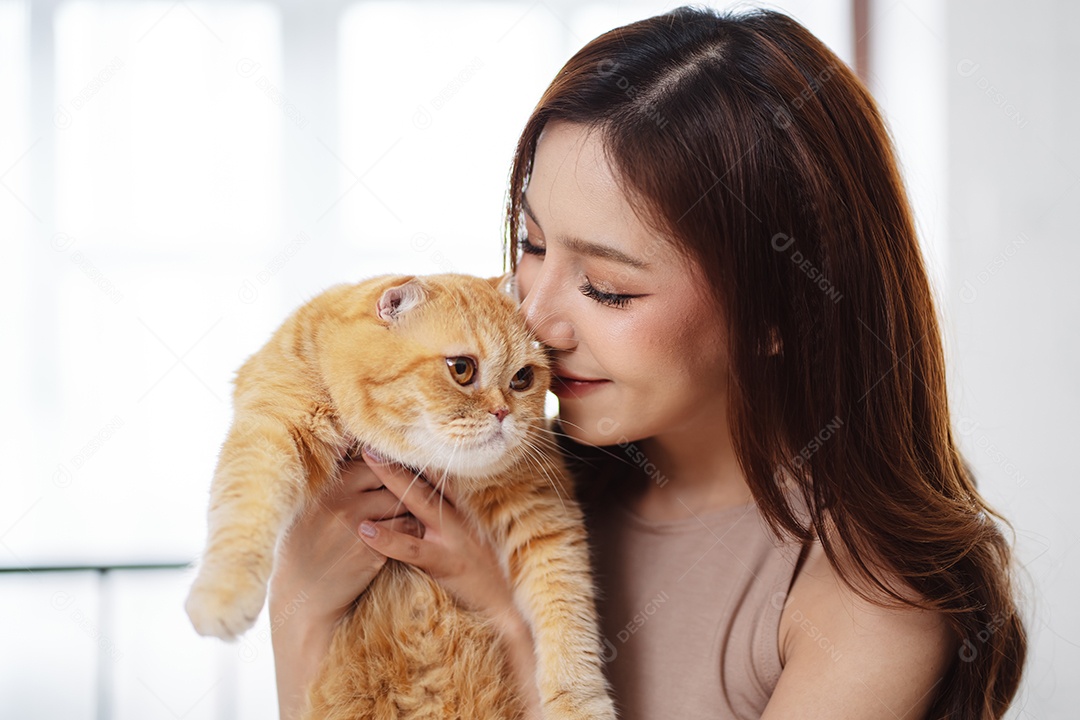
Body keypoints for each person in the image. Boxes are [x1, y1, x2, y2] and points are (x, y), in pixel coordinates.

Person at [270, 7, 1026, 719]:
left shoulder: (868, 601)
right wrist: (298, 603)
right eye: (532, 246)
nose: (533, 320)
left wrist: (508, 619)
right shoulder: (488, 475)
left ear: (777, 312)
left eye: (608, 289)